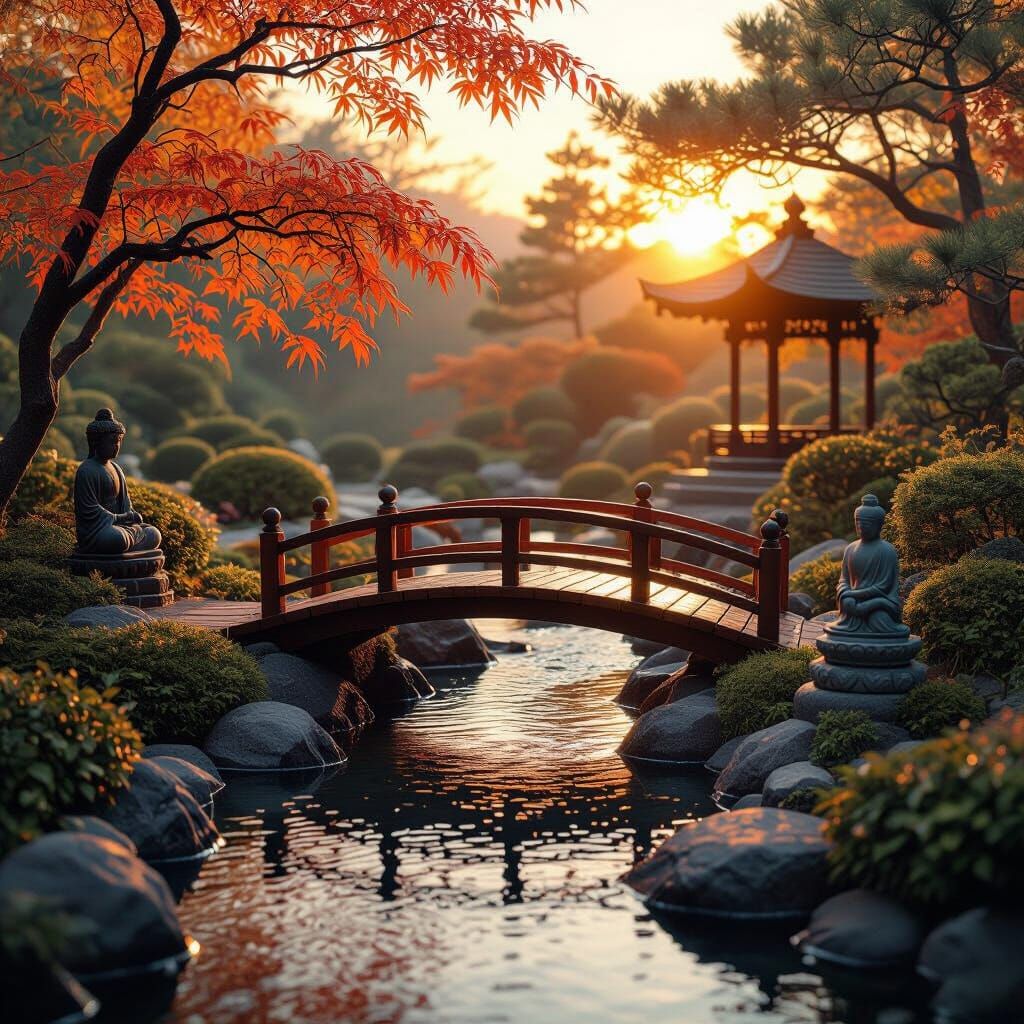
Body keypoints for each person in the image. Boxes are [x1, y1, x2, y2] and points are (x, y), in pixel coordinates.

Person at [73, 409, 162, 555]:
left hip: (120, 526)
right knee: (116, 538)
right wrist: (119, 518)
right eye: (112, 442)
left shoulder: (116, 468)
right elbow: (88, 510)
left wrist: (131, 515)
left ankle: (129, 549)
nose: (117, 446)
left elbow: (125, 503)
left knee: (153, 533)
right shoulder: (87, 470)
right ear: (96, 442)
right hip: (98, 530)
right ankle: (129, 549)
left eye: (119, 441)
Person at [830, 494, 908, 637]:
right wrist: (846, 594)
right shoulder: (850, 549)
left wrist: (858, 597)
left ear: (879, 525)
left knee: (879, 619)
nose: (861, 526)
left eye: (866, 523)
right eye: (858, 522)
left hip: (880, 603)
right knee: (846, 606)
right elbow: (843, 580)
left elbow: (883, 587)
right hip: (853, 604)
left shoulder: (886, 550)